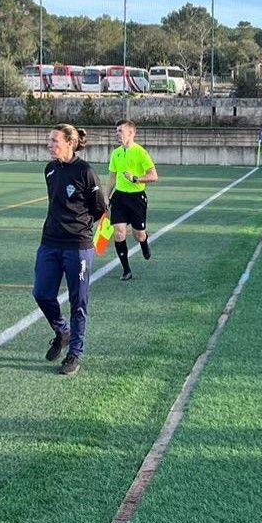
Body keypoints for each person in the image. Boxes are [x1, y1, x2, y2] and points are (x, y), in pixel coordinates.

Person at [34, 123, 107, 376]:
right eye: (49, 140)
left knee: (79, 301)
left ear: (69, 143)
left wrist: (82, 228)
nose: (49, 144)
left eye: (54, 140)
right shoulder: (49, 170)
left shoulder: (85, 171)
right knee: (42, 293)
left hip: (77, 246)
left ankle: (75, 352)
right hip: (50, 242)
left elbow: (99, 208)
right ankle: (62, 331)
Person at [106, 119, 158, 281]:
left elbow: (153, 176)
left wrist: (136, 179)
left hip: (136, 199)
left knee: (138, 234)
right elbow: (112, 176)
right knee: (119, 232)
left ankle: (144, 242)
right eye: (116, 131)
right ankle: (126, 269)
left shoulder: (141, 152)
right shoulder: (116, 153)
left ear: (131, 133)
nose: (117, 134)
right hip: (119, 197)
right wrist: (106, 196)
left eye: (120, 131)